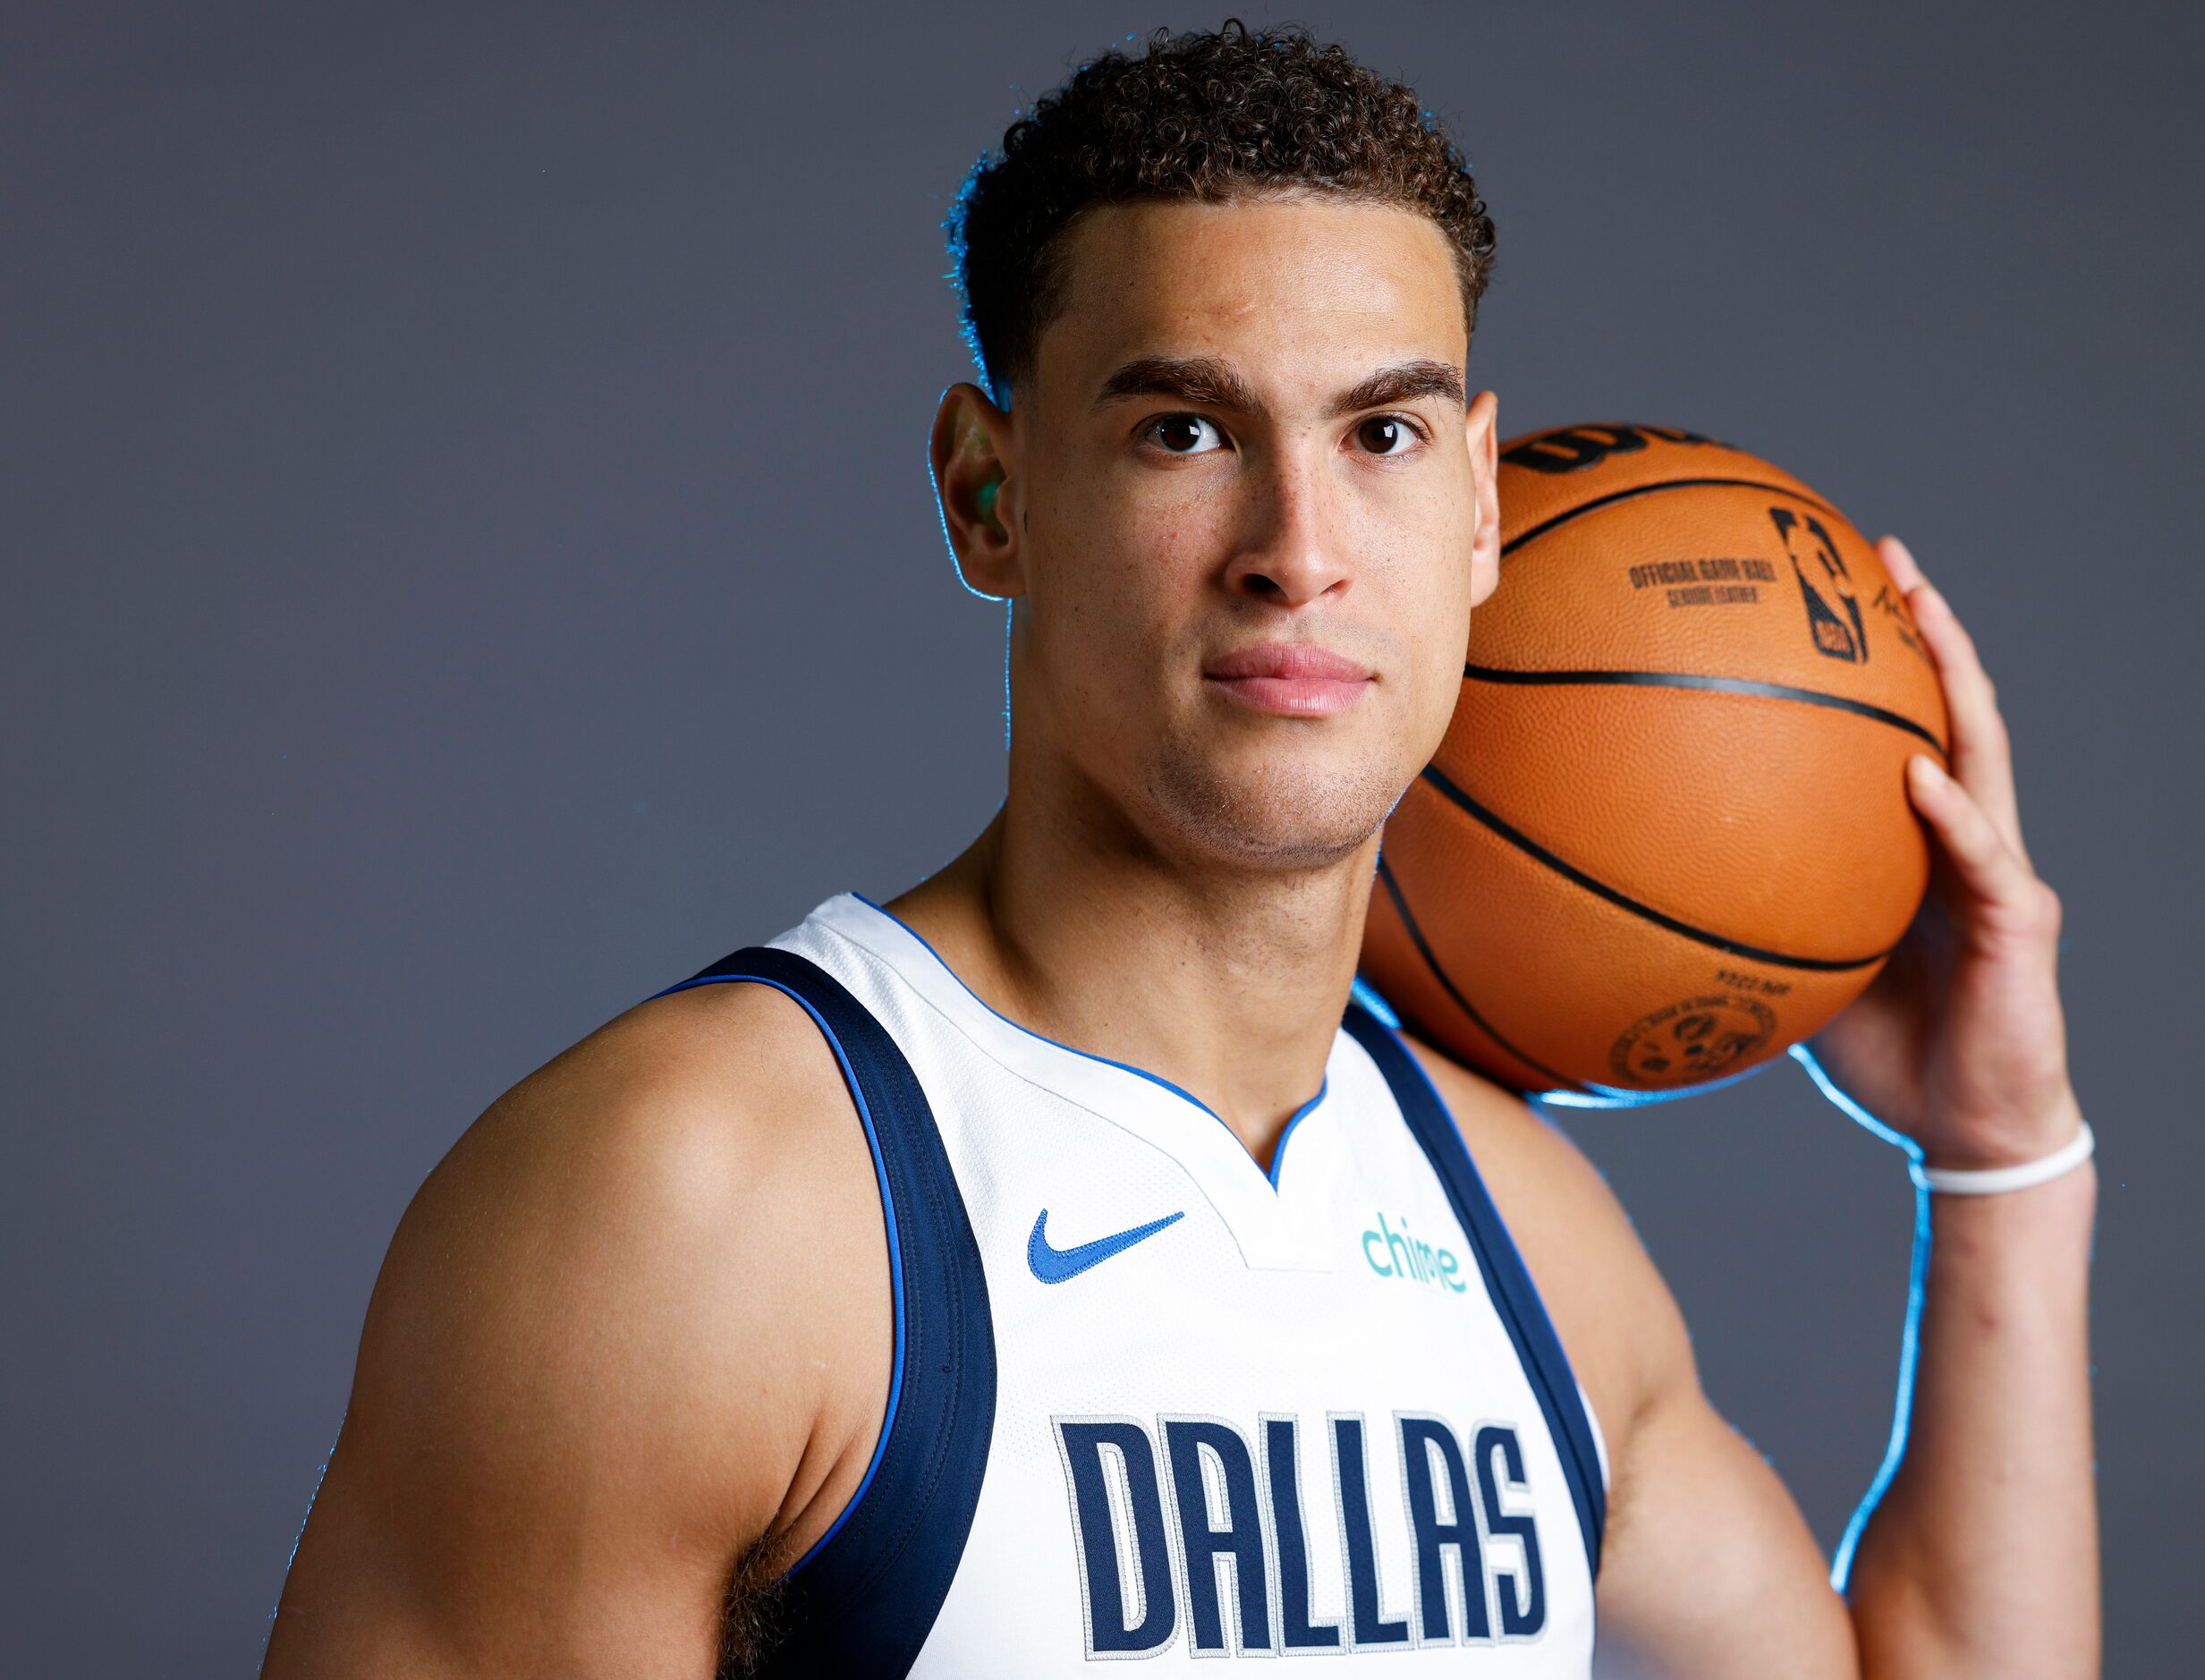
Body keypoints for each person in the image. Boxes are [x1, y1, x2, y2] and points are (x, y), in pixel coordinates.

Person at [263, 23, 2098, 1677]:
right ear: (993, 495)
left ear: (1475, 506)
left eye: (1378, 433)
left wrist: (2001, 1156)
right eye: (1183, 429)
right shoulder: (697, 1204)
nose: (1295, 544)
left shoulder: (1512, 1222)